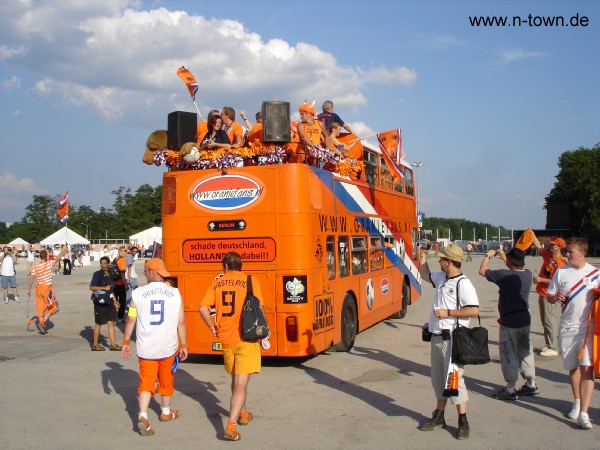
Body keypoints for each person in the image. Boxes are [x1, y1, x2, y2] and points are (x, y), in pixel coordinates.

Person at [199, 251, 268, 441]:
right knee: (242, 383)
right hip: (246, 337)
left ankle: (243, 412)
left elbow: (202, 308)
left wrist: (211, 326)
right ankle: (231, 425)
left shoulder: (218, 282)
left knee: (236, 378)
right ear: (240, 265)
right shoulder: (250, 280)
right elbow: (261, 308)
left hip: (226, 339)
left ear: (226, 266)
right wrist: (264, 331)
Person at [418, 244, 479, 440]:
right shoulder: (442, 278)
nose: (440, 261)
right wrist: (423, 258)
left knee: (454, 381)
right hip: (436, 337)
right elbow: (426, 275)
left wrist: (448, 313)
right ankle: (439, 415)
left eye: (442, 259)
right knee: (438, 379)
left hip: (452, 340)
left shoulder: (463, 284)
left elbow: (473, 310)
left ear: (450, 262)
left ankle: (463, 420)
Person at [121, 258, 188, 437]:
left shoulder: (138, 293)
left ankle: (143, 415)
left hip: (146, 348)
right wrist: (184, 344)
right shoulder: (174, 293)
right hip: (168, 346)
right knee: (167, 380)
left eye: (146, 270)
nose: (144, 273)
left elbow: (131, 319)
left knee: (146, 382)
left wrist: (126, 342)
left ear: (153, 272)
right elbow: (181, 321)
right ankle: (165, 412)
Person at [548, 237, 600, 430]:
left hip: (589, 328)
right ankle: (577, 401)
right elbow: (550, 297)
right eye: (566, 251)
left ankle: (584, 413)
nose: (567, 254)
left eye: (570, 251)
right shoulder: (561, 272)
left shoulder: (596, 274)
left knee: (587, 368)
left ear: (582, 253)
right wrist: (555, 297)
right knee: (573, 367)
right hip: (568, 327)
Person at [479, 247, 539, 400]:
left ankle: (510, 387)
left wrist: (488, 256)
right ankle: (531, 382)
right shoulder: (527, 274)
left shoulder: (503, 275)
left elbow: (482, 271)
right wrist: (504, 257)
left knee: (508, 353)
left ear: (510, 261)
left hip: (509, 320)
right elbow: (513, 266)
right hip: (524, 318)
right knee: (525, 351)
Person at [532, 235, 567, 357]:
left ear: (560, 247)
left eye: (553, 245)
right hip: (542, 293)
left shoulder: (560, 263)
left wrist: (541, 279)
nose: (550, 246)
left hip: (549, 294)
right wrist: (531, 234)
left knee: (549, 320)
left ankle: (552, 347)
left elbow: (556, 281)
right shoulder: (549, 256)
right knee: (544, 320)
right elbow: (538, 246)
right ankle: (548, 344)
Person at [27, 247, 67, 334]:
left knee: (40, 308)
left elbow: (31, 278)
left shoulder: (35, 266)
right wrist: (63, 251)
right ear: (46, 256)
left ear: (40, 257)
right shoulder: (49, 264)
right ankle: (43, 321)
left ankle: (42, 326)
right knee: (53, 307)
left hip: (38, 288)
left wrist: (29, 289)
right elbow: (58, 258)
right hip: (47, 288)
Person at [89, 256, 121, 351]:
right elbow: (91, 287)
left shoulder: (110, 274)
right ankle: (95, 345)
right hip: (100, 302)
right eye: (101, 263)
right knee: (98, 323)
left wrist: (115, 301)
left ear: (108, 264)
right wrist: (103, 288)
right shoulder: (97, 274)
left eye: (104, 263)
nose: (102, 265)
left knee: (111, 322)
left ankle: (113, 344)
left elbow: (111, 290)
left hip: (110, 302)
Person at [113, 246, 129, 323]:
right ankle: (120, 318)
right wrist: (125, 284)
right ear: (120, 252)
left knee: (114, 300)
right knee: (122, 302)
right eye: (124, 251)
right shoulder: (122, 260)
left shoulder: (115, 259)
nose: (126, 252)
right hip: (120, 283)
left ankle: (112, 317)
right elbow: (122, 273)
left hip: (114, 283)